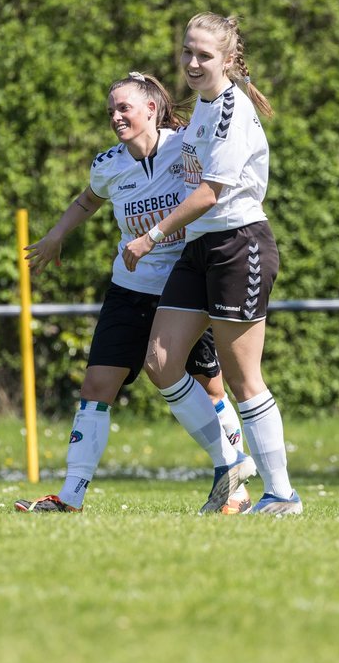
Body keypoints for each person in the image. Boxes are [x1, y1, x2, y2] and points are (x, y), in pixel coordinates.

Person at [14, 72, 252, 514]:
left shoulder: (186, 149)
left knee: (211, 385)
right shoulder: (108, 163)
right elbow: (89, 199)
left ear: (151, 109)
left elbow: (212, 192)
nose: (116, 117)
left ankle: (235, 483)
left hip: (183, 288)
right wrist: (55, 236)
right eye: (111, 111)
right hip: (129, 289)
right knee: (95, 385)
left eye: (124, 108)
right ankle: (70, 497)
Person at [122, 13, 300, 515]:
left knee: (244, 380)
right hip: (200, 246)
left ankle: (283, 494)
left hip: (238, 244)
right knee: (160, 361)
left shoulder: (229, 109)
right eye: (187, 52)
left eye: (204, 54)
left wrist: (151, 236)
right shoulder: (201, 107)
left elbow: (211, 191)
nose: (193, 62)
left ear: (227, 59)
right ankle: (231, 460)